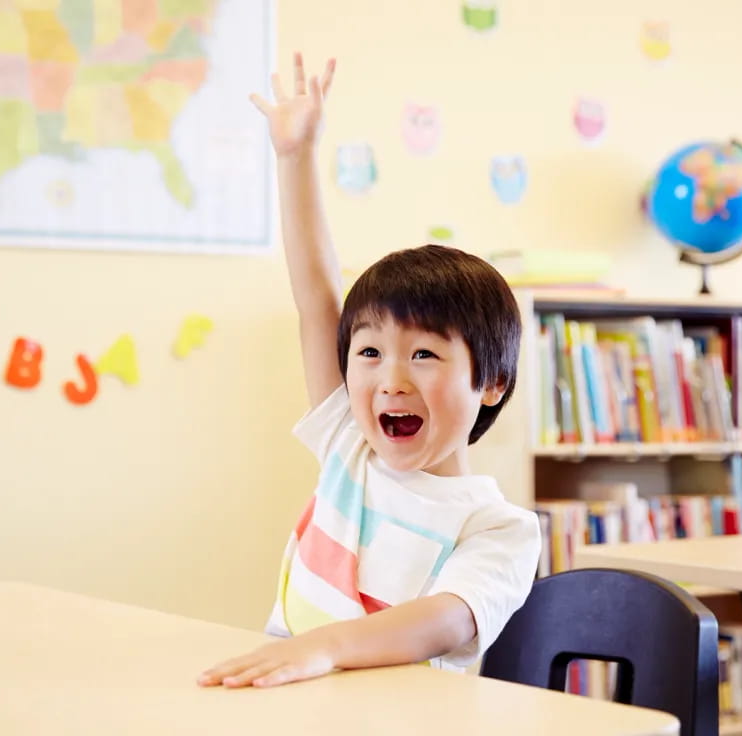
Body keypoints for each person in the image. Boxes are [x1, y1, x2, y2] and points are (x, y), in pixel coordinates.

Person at [198, 53, 540, 690]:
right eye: (370, 353)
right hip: (295, 701)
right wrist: (295, 158)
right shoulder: (347, 448)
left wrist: (324, 649)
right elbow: (318, 301)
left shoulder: (500, 529)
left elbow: (445, 621)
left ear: (492, 381)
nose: (390, 380)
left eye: (424, 354)